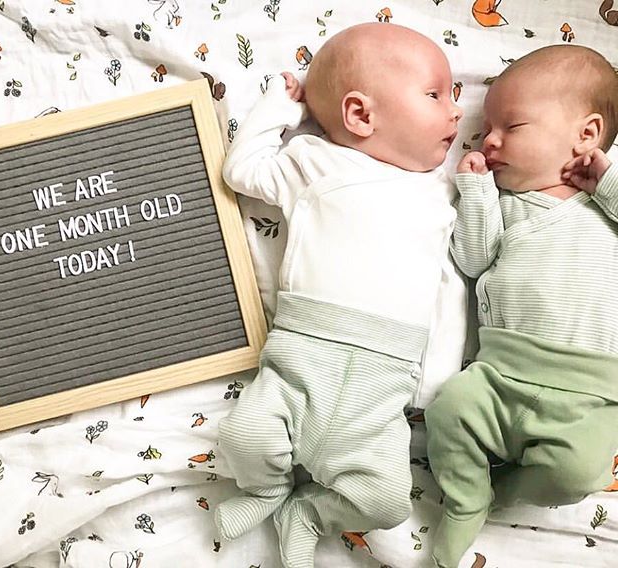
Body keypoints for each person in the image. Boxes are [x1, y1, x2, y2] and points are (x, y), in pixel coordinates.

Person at [214, 22, 466, 568]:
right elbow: (242, 170)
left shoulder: (443, 194)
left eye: (454, 95)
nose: (456, 111)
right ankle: (264, 491)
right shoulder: (314, 162)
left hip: (385, 383)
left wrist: (437, 377)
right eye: (435, 94)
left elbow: (448, 281)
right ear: (361, 115)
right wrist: (279, 108)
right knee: (244, 437)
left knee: (389, 501)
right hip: (301, 359)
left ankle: (309, 513)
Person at [425, 44, 618, 568]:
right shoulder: (504, 205)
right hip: (499, 372)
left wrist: (609, 184)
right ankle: (467, 497)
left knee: (578, 475)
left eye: (512, 126)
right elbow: (472, 259)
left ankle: (502, 491)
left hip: (590, 390)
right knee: (448, 413)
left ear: (586, 134)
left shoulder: (605, 206)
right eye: (488, 128)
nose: (490, 139)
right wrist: (476, 192)